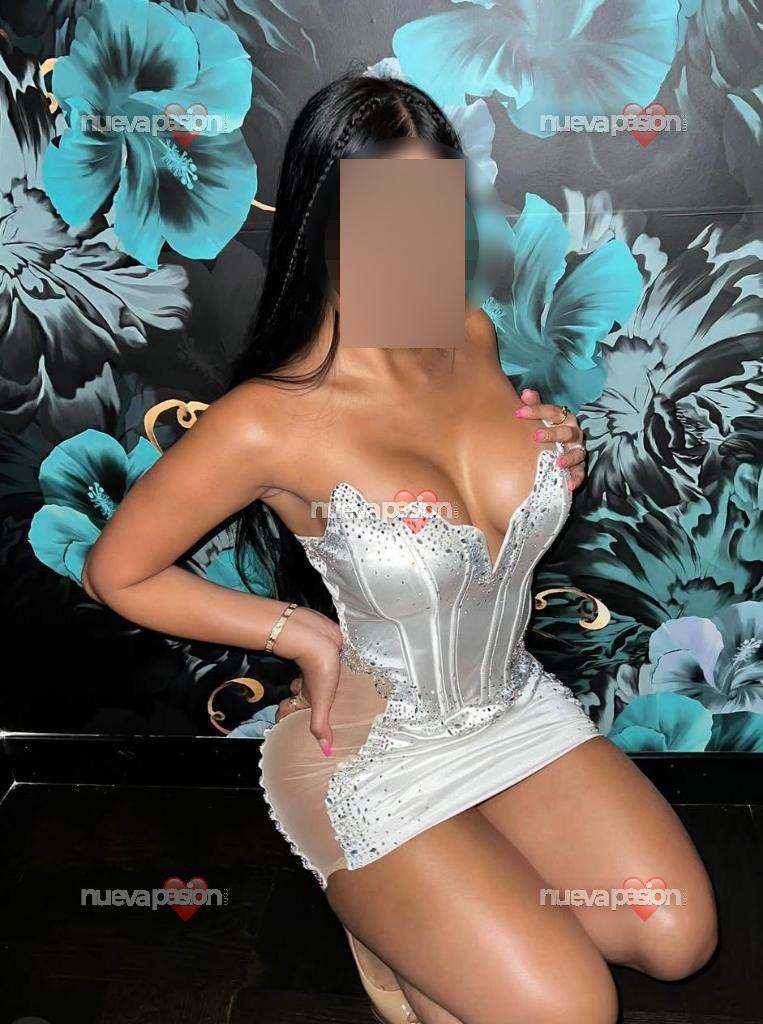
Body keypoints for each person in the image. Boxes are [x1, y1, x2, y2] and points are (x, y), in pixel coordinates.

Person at [82, 73, 717, 1024]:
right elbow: (115, 570)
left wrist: (558, 455)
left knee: (674, 936)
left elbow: (487, 484)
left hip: (513, 708)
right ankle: (390, 910)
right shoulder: (269, 420)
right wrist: (300, 633)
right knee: (569, 1012)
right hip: (372, 752)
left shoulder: (470, 335)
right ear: (322, 223)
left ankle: (456, 896)